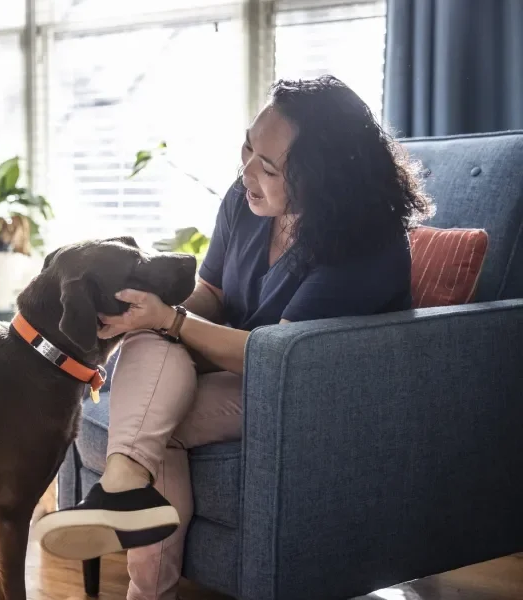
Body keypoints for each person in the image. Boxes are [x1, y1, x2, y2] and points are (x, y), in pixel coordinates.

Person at [33, 75, 435, 600]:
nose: (246, 171)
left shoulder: (363, 242)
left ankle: (140, 561)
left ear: (324, 180)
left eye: (268, 167)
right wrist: (154, 315)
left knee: (160, 416)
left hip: (313, 392)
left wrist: (172, 321)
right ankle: (124, 486)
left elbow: (278, 358)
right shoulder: (244, 201)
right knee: (148, 346)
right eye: (249, 146)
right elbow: (211, 296)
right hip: (243, 368)